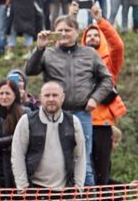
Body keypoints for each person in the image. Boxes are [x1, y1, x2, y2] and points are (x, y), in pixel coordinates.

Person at [23, 14, 115, 186]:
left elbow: (107, 80)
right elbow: (30, 70)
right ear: (54, 32)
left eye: (68, 29)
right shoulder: (48, 53)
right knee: (56, 161)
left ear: (76, 31)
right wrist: (39, 48)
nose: (64, 33)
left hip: (82, 114)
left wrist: (95, 98)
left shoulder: (89, 54)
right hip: (55, 115)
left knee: (84, 162)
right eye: (60, 30)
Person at [82, 14, 126, 201]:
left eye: (95, 35)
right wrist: (72, 16)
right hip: (80, 121)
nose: (92, 38)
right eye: (88, 36)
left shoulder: (109, 63)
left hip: (102, 124)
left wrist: (100, 21)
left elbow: (118, 45)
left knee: (101, 170)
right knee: (83, 170)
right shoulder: (77, 64)